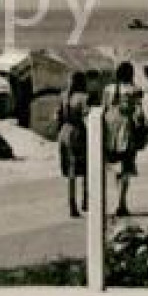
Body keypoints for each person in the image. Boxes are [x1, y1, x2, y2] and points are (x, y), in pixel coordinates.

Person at [101, 61, 147, 216]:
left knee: (116, 168)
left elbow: (103, 109)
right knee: (126, 169)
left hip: (110, 131)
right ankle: (121, 202)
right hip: (126, 132)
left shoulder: (108, 90)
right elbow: (139, 114)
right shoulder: (135, 90)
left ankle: (117, 200)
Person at [57, 72, 91, 219]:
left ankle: (72, 204)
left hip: (64, 132)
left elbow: (57, 117)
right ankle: (85, 200)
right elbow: (87, 116)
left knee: (70, 172)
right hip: (78, 133)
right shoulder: (83, 98)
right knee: (86, 167)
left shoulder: (63, 96)